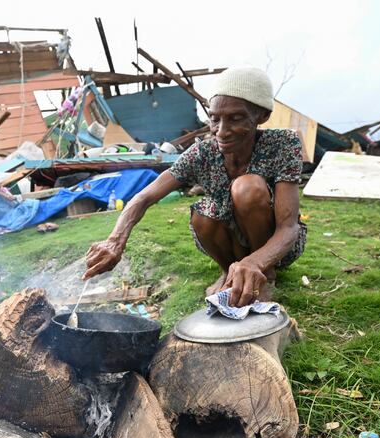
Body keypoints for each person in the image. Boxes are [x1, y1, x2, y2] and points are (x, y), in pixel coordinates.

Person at [83, 67, 307, 307]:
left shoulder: (283, 144)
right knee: (202, 213)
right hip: (230, 236)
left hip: (275, 242)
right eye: (215, 118)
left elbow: (288, 227)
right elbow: (144, 197)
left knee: (247, 188)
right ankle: (228, 271)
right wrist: (115, 240)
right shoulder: (202, 153)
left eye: (235, 118)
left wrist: (257, 262)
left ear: (261, 116)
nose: (221, 131)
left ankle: (265, 274)